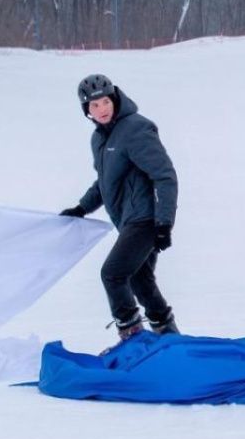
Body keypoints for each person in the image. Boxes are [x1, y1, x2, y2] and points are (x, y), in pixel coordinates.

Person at [59, 73, 180, 347]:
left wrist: (163, 224)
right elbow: (104, 182)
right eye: (93, 105)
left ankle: (133, 341)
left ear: (114, 98)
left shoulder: (136, 128)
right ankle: (170, 339)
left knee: (113, 274)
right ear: (86, 110)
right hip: (129, 221)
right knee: (140, 280)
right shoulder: (100, 139)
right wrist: (81, 208)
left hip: (145, 219)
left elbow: (165, 176)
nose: (101, 109)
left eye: (104, 102)